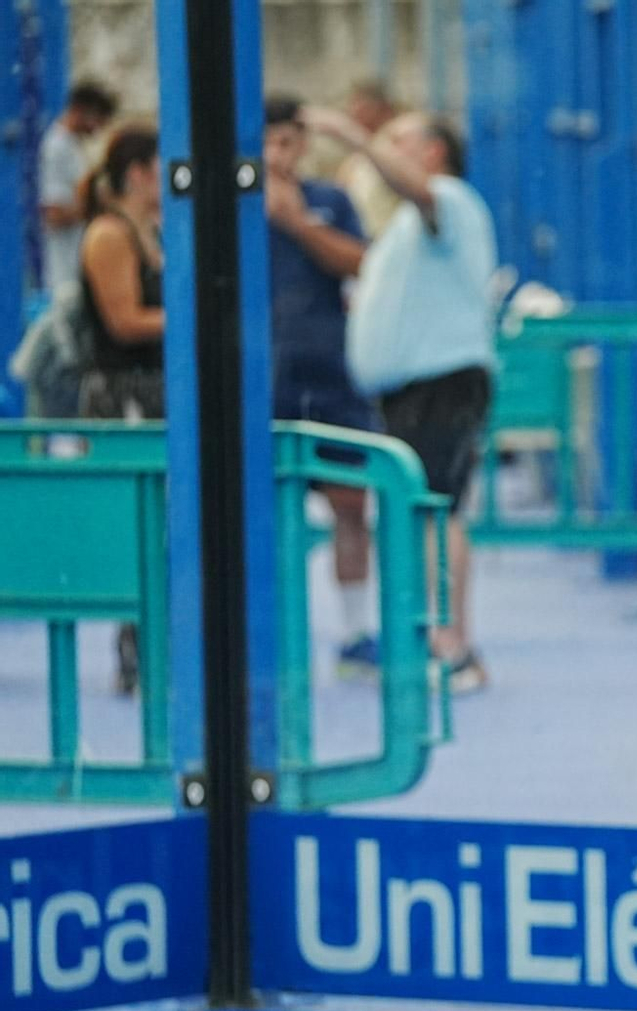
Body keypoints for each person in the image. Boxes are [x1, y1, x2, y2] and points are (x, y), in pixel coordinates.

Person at [308, 106, 497, 694]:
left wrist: (353, 136)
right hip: (410, 389)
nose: (385, 149)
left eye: (398, 140)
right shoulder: (408, 230)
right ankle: (434, 639)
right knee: (420, 512)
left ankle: (453, 648)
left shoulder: (448, 199)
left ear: (433, 152)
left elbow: (411, 187)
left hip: (442, 383)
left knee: (437, 511)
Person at [264, 94, 378, 676]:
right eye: (268, 143)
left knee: (350, 503)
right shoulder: (227, 210)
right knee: (256, 512)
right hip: (260, 381)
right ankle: (264, 636)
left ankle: (356, 632)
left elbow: (358, 262)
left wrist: (296, 223)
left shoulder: (328, 201)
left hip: (329, 374)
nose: (279, 155)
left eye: (288, 141)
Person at [77, 122, 164, 695]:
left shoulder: (154, 229)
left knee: (166, 527)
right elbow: (123, 321)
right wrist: (200, 315)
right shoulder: (110, 234)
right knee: (137, 528)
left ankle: (161, 646)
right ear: (138, 173)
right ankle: (135, 655)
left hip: (156, 390)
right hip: (120, 395)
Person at [38, 81, 118, 296]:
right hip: (63, 271)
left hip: (75, 266)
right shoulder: (57, 149)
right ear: (83, 111)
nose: (99, 129)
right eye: (98, 121)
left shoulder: (72, 146)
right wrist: (99, 207)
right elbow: (53, 213)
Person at [337, 80, 403, 238]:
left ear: (385, 109)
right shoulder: (358, 156)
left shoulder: (397, 147)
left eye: (362, 105)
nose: (354, 111)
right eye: (352, 103)